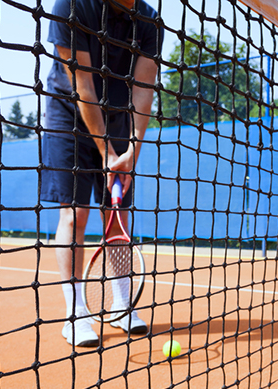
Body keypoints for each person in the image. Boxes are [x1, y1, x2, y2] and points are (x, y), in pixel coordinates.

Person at [41, 0, 162, 346]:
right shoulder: (70, 6)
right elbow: (84, 86)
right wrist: (109, 153)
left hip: (118, 114)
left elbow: (142, 92)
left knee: (116, 211)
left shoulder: (150, 21)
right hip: (68, 114)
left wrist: (131, 153)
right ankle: (75, 313)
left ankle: (123, 305)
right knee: (75, 213)